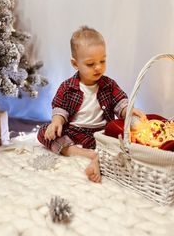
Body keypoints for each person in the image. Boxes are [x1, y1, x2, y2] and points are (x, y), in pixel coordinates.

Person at [37, 26, 146, 183]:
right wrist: (56, 122)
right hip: (74, 131)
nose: (98, 67)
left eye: (102, 61)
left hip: (102, 133)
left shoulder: (109, 85)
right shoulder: (68, 87)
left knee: (121, 142)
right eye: (90, 64)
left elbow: (120, 102)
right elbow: (60, 107)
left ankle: (98, 157)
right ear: (75, 64)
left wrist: (128, 111)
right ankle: (85, 154)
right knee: (43, 132)